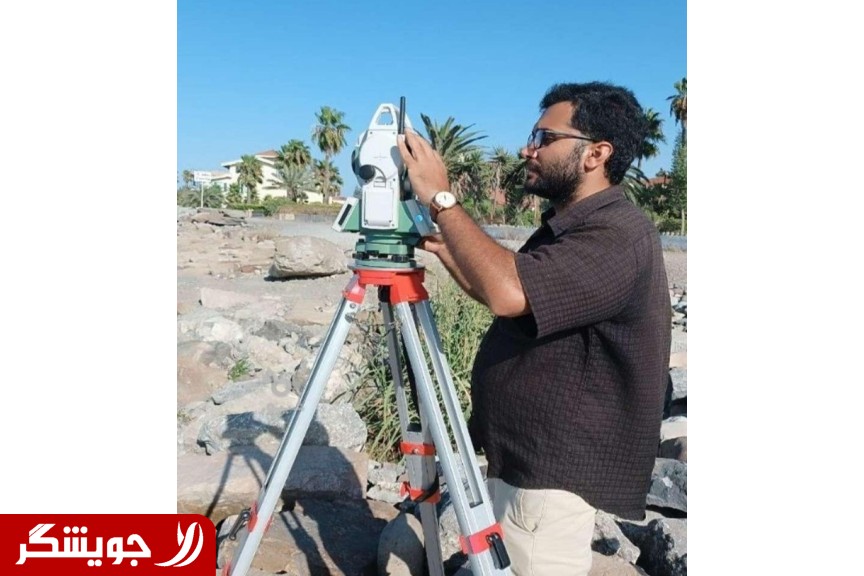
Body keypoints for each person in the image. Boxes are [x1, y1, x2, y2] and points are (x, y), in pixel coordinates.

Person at [396, 81, 671, 576]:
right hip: (524, 462)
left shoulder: (619, 234)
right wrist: (446, 248)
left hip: (548, 480)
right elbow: (509, 301)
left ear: (596, 154)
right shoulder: (572, 226)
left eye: (545, 138)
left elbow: (509, 291)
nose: (529, 149)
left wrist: (441, 197)